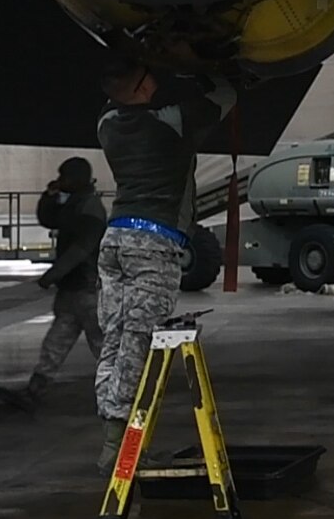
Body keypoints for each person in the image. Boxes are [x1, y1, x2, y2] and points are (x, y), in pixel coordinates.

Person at [92, 60, 237, 471]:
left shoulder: (106, 123)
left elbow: (116, 93)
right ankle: (118, 445)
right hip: (153, 245)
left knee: (115, 338)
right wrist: (197, 63)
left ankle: (109, 429)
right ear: (138, 89)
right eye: (148, 77)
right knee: (139, 342)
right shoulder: (170, 123)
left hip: (115, 239)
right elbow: (224, 97)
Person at [0, 157, 108, 413]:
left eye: (64, 176)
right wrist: (49, 195)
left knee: (103, 346)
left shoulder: (91, 208)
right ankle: (34, 391)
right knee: (54, 345)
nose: (61, 180)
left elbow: (82, 249)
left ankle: (126, 395)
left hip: (89, 289)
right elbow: (49, 220)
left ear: (77, 178)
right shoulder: (75, 204)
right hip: (72, 291)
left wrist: (54, 274)